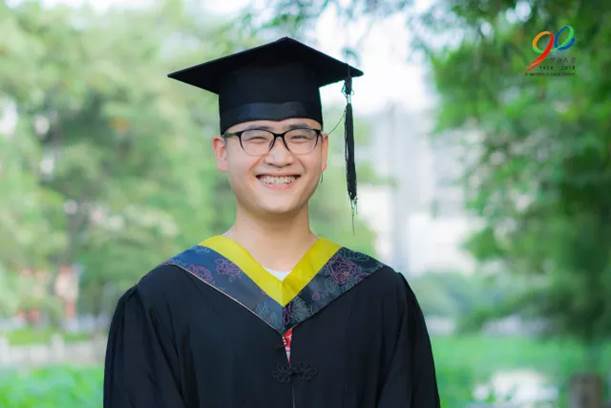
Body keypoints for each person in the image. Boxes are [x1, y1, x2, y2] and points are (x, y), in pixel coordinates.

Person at [103, 36, 440, 408]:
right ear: (221, 152)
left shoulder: (380, 296)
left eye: (300, 136)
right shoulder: (162, 301)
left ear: (323, 151)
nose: (279, 157)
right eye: (256, 137)